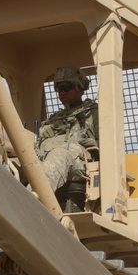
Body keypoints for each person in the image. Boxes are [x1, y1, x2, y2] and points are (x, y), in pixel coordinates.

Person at [35, 66, 99, 196]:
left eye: (66, 88)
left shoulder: (93, 113)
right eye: (59, 89)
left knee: (59, 155)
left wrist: (93, 144)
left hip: (79, 164)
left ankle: (28, 201)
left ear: (79, 88)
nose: (62, 93)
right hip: (44, 160)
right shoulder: (54, 120)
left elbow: (112, 148)